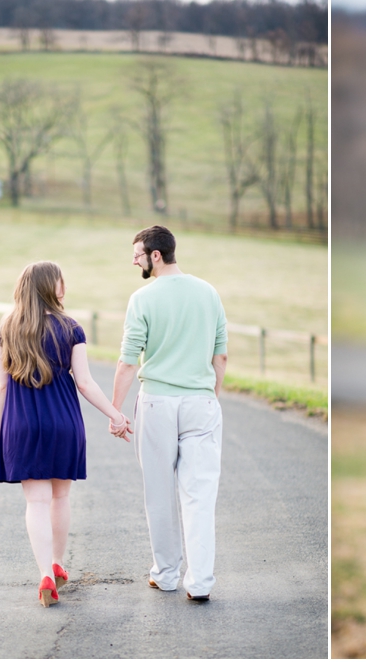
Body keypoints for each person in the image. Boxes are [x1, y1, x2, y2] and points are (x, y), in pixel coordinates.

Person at [0, 261, 131, 608]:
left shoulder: (7, 327)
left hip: (22, 424)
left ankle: (44, 573)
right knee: (60, 498)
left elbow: (0, 386)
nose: (63, 287)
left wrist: (3, 429)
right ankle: (57, 563)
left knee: (36, 502)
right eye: (59, 281)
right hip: (63, 422)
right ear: (47, 287)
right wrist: (116, 415)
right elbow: (84, 382)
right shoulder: (71, 328)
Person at [109, 225, 228, 602]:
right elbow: (220, 354)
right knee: (200, 496)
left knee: (159, 493)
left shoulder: (142, 299)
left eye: (138, 254)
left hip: (157, 402)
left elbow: (128, 362)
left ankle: (166, 575)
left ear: (155, 256)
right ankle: (201, 583)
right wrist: (212, 397)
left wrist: (115, 411)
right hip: (201, 403)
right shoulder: (209, 293)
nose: (134, 260)